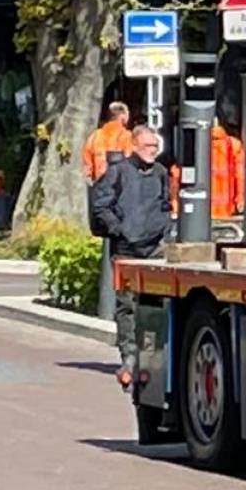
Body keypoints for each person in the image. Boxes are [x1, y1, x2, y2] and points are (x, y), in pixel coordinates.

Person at [90, 124, 172, 385]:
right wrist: (120, 230)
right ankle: (129, 357)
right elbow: (100, 205)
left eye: (155, 147)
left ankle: (153, 358)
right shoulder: (117, 172)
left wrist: (164, 226)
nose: (153, 151)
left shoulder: (160, 172)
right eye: (148, 146)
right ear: (134, 146)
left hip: (154, 249)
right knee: (127, 306)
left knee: (156, 304)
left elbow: (165, 202)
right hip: (125, 249)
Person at [82, 101, 134, 183]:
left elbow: (87, 162)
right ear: (122, 117)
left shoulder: (95, 135)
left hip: (99, 183)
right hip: (120, 185)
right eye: (127, 115)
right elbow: (130, 161)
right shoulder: (127, 136)